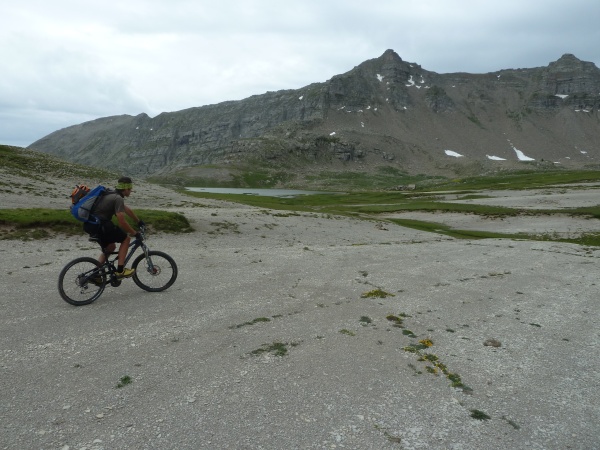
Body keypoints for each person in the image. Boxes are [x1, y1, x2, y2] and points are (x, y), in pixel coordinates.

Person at [84, 176, 143, 278]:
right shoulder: (118, 198)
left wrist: (138, 221)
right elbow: (122, 222)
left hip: (91, 225)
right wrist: (135, 233)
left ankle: (96, 274)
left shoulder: (111, 193)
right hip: (101, 225)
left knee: (111, 247)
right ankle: (120, 271)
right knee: (126, 239)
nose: (131, 191)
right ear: (125, 189)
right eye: (130, 189)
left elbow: (126, 209)